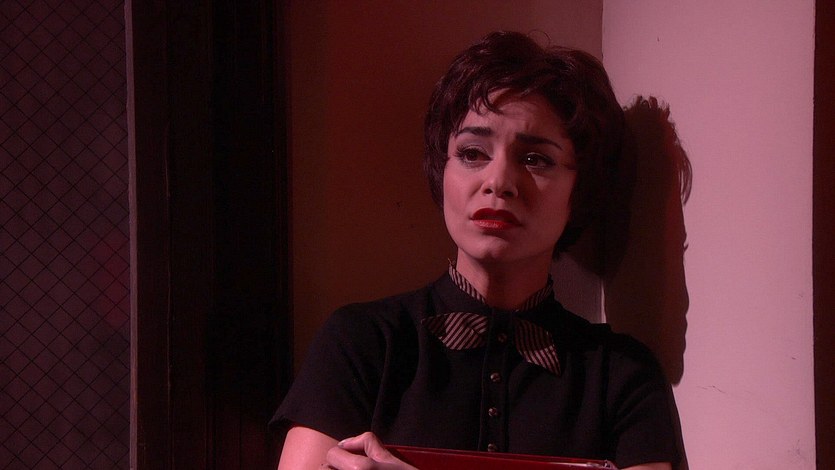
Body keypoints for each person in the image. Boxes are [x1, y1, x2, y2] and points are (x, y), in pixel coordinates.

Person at [272, 31, 681, 470]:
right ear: (441, 169)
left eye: (535, 159)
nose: (498, 182)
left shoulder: (622, 374)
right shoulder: (361, 341)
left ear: (579, 190)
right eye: (472, 153)